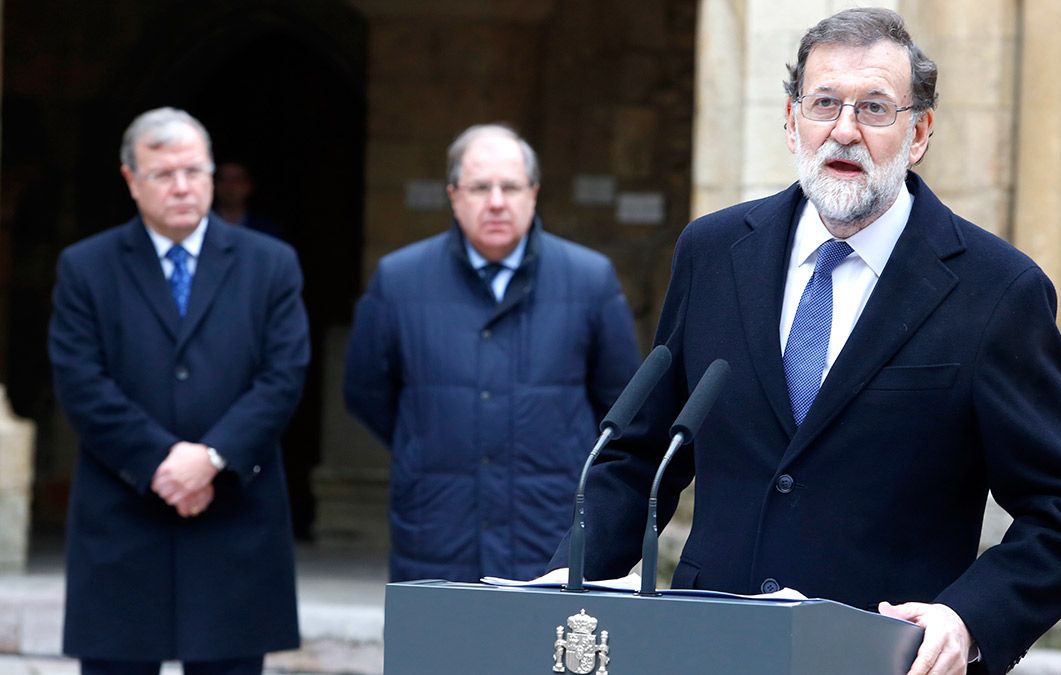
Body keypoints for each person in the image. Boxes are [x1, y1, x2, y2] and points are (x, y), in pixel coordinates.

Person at [548, 9, 1061, 675]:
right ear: (791, 121)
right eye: (824, 104)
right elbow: (641, 454)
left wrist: (968, 619)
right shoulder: (715, 252)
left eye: (875, 107)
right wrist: (568, 572)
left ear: (920, 131)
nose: (845, 130)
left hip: (880, 656)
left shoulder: (996, 291)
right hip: (703, 645)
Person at [48, 107, 310, 675]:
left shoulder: (271, 265)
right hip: (124, 513)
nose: (183, 187)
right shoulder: (86, 268)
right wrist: (162, 461)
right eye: (164, 174)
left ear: (214, 174)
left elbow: (284, 375)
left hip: (234, 514)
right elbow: (79, 379)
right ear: (130, 179)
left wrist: (212, 457)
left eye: (195, 171)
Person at [344, 123, 641, 583]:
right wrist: (425, 440)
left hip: (549, 529)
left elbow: (621, 406)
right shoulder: (399, 280)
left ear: (534, 193)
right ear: (453, 195)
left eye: (511, 187)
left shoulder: (589, 280)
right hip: (437, 529)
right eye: (480, 187)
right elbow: (366, 391)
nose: (497, 201)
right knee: (435, 655)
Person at [212, 160, 285, 239]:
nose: (230, 186)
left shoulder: (266, 229)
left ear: (249, 185)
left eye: (237, 180)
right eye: (223, 179)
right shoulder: (201, 225)